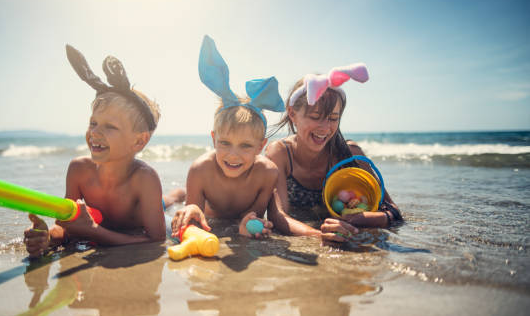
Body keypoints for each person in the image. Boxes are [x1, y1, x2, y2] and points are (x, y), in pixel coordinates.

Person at [24, 45, 184, 258]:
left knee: (166, 202)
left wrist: (93, 232)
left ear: (138, 141)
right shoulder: (78, 170)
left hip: (144, 215)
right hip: (116, 221)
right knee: (162, 201)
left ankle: (179, 193)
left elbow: (155, 240)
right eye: (93, 123)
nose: (95, 132)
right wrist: (48, 238)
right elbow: (68, 227)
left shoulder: (144, 179)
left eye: (110, 127)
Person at [266, 64, 402, 243]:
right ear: (292, 114)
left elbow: (393, 212)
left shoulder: (349, 154)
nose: (324, 128)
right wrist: (320, 235)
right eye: (315, 117)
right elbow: (278, 217)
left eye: (333, 118)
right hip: (307, 229)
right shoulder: (281, 154)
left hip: (349, 229)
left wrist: (361, 219)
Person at [170, 35, 285, 238]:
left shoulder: (267, 174)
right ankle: (173, 196)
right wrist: (192, 214)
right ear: (214, 138)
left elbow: (254, 219)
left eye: (246, 146)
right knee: (177, 202)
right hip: (211, 217)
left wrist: (246, 228)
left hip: (233, 218)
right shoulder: (201, 170)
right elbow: (193, 220)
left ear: (261, 146)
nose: (233, 155)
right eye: (224, 143)